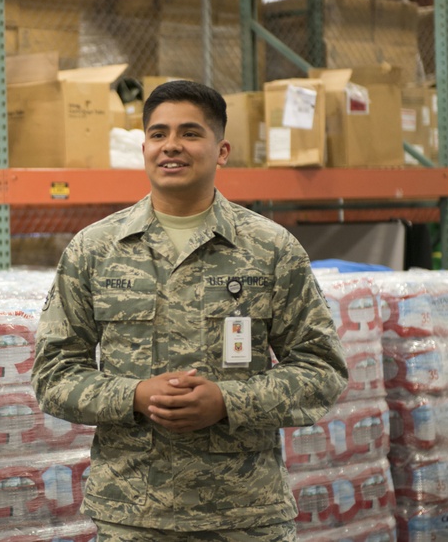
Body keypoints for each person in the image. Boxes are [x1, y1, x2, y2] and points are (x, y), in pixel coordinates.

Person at [32, 80, 348, 542]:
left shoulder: (270, 248)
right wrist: (136, 395)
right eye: (158, 134)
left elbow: (323, 370)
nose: (171, 146)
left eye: (190, 133)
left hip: (245, 516)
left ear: (221, 151)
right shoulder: (95, 250)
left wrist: (227, 401)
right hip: (132, 514)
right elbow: (52, 374)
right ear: (143, 147)